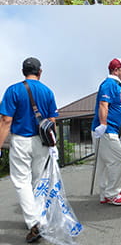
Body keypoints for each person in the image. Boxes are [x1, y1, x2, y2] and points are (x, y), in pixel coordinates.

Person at [0, 58, 59, 243]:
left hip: (20, 141)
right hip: (41, 142)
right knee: (39, 179)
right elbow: (52, 121)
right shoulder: (47, 91)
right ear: (40, 72)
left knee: (21, 181)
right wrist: (52, 143)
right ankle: (38, 218)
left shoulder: (13, 90)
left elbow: (5, 121)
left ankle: (33, 222)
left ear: (23, 71)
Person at [91, 58, 121, 206]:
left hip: (109, 129)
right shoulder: (109, 84)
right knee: (119, 160)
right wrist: (103, 124)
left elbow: (115, 107)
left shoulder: (116, 85)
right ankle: (112, 193)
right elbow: (104, 104)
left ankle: (104, 193)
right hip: (107, 130)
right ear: (116, 70)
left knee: (104, 163)